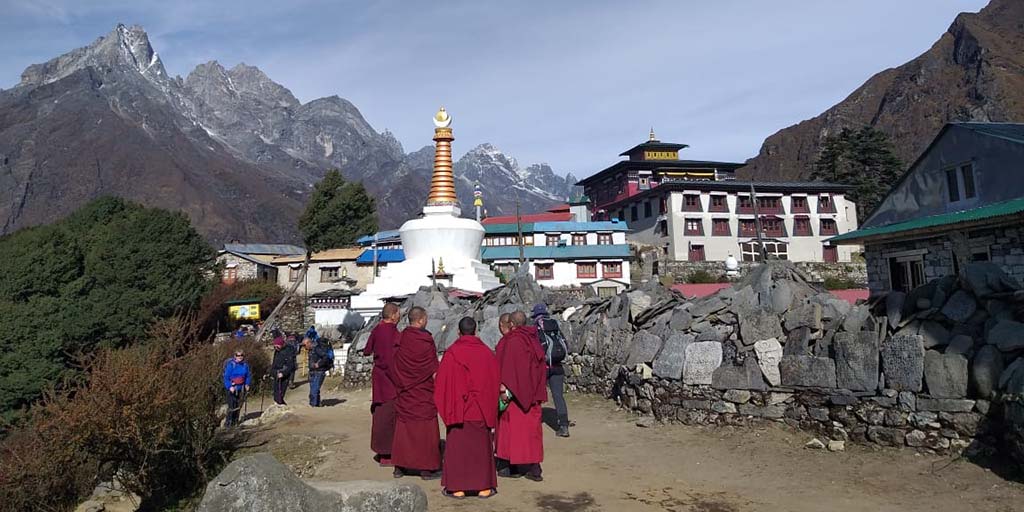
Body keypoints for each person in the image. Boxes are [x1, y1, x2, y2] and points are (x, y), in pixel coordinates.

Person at [434, 317, 501, 499]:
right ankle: (483, 488)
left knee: (458, 450)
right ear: (476, 331)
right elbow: (494, 382)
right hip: (480, 411)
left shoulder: (452, 353)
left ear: (458, 332)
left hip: (459, 412)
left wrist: (449, 410)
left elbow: (441, 385)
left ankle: (458, 489)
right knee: (480, 449)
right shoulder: (487, 353)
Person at [389, 307, 442, 480]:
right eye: (425, 318)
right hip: (422, 392)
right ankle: (426, 469)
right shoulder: (425, 340)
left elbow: (394, 363)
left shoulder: (401, 337)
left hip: (406, 391)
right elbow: (433, 367)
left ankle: (399, 467)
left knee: (404, 428)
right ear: (420, 320)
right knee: (425, 428)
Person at [495, 311, 547, 481]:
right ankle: (534, 467)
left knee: (510, 430)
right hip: (532, 394)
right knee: (531, 432)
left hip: (514, 396)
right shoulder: (533, 338)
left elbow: (507, 367)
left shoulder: (511, 341)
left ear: (510, 324)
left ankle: (508, 465)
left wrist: (504, 389)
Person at [362, 302, 402, 466]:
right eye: (398, 314)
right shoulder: (390, 332)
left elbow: (367, 350)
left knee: (379, 416)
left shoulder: (377, 329)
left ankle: (380, 451)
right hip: (389, 380)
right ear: (393, 315)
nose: (399, 316)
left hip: (379, 378)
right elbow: (390, 359)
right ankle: (387, 454)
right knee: (388, 417)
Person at [532, 303, 571, 438]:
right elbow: (565, 344)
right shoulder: (554, 325)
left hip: (542, 367)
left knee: (536, 395)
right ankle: (563, 426)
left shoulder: (535, 328)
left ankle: (533, 425)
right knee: (558, 396)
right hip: (558, 366)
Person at [222, 349, 252, 427]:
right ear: (235, 356)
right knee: (232, 406)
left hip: (241, 388)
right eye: (238, 355)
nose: (240, 357)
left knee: (238, 406)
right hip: (232, 388)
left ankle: (235, 422)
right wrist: (229, 386)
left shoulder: (245, 365)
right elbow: (226, 377)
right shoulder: (231, 365)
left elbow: (248, 376)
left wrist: (247, 384)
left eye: (241, 355)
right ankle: (228, 424)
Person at [304, 336, 332, 407]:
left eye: (305, 345)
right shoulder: (311, 350)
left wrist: (318, 364)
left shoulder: (317, 349)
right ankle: (317, 404)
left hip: (319, 372)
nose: (304, 347)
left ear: (309, 343)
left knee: (314, 390)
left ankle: (313, 406)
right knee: (314, 390)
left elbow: (326, 357)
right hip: (312, 372)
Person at [271, 336, 296, 406]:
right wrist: (270, 372)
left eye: (277, 346)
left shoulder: (289, 351)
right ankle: (280, 406)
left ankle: (282, 407)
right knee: (275, 394)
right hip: (276, 373)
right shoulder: (277, 351)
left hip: (284, 375)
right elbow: (274, 363)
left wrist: (283, 373)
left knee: (280, 394)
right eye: (274, 347)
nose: (276, 348)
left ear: (281, 344)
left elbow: (291, 366)